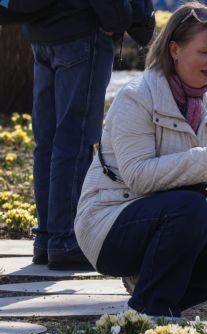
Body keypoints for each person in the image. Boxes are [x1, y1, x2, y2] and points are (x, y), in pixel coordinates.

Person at [75, 3, 207, 318]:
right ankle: (152, 310)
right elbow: (138, 176)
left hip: (173, 219)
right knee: (191, 207)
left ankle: (152, 293)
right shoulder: (136, 97)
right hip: (110, 224)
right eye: (204, 52)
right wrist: (206, 155)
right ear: (175, 50)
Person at [24, 0, 134, 269]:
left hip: (41, 33)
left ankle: (47, 237)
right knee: (74, 140)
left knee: (48, 143)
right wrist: (117, 21)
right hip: (80, 34)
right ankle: (66, 240)